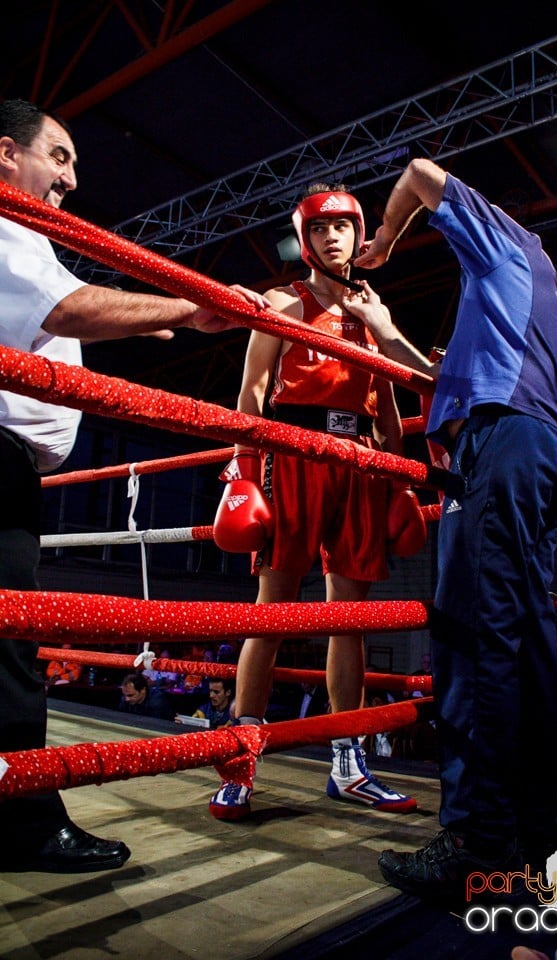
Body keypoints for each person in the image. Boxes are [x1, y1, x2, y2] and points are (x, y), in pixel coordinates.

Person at [0, 98, 269, 873]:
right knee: (11, 642)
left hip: (8, 464)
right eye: (59, 156)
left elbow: (66, 311)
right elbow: (71, 306)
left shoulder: (29, 240)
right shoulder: (6, 227)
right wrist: (186, 308)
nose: (72, 179)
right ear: (5, 155)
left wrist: (140, 318)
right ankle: (22, 826)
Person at [346, 156, 557, 899]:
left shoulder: (506, 241)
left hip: (502, 449)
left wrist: (382, 238)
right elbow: (442, 378)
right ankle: (531, 837)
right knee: (525, 645)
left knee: (477, 645)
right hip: (537, 453)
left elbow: (417, 173)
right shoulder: (527, 296)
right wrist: (386, 332)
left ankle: (478, 845)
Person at [210, 182, 427, 820]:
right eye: (321, 229)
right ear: (305, 240)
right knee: (273, 608)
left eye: (343, 227)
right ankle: (240, 758)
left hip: (358, 461)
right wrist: (247, 470)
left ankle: (348, 763)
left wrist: (400, 477)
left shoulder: (371, 312)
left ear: (361, 236)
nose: (333, 237)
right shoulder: (286, 301)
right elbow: (250, 393)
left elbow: (387, 402)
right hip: (294, 454)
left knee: (349, 616)